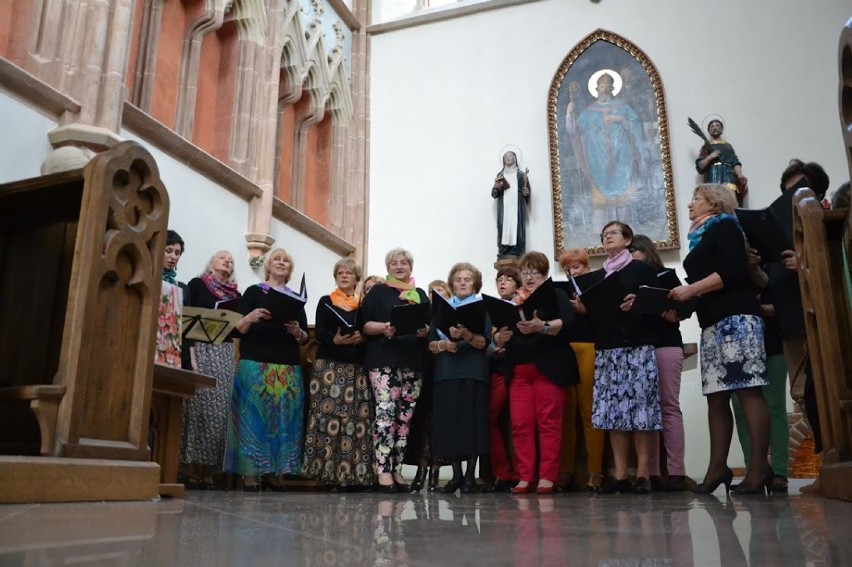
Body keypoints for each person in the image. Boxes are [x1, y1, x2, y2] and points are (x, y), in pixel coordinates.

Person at [669, 184, 771, 495]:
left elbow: (733, 271)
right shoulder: (700, 236)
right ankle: (717, 468)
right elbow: (701, 286)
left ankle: (758, 469)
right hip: (712, 324)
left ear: (713, 202)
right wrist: (676, 306)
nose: (689, 205)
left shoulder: (726, 226)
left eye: (695, 199)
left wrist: (690, 290)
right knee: (716, 398)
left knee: (749, 393)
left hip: (738, 319)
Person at [573, 222, 661, 494]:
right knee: (614, 413)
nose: (607, 236)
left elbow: (660, 304)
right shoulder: (597, 278)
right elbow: (593, 321)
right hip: (608, 349)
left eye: (613, 233)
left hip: (639, 345)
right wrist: (582, 309)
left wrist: (639, 301)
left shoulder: (642, 269)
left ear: (627, 239)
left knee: (642, 412)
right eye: (603, 234)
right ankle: (621, 475)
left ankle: (644, 474)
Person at [493, 251, 579, 494]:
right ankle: (525, 476)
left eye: (535, 272)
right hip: (519, 369)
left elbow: (569, 323)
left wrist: (543, 327)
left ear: (545, 275)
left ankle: (547, 476)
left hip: (549, 368)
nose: (529, 277)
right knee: (520, 424)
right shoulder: (513, 301)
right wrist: (500, 337)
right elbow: (499, 335)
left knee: (549, 424)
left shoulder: (556, 295)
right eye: (525, 272)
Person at [224, 248, 308, 491]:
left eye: (286, 261)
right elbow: (237, 328)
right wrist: (251, 316)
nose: (281, 263)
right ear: (268, 266)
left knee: (283, 421)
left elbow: (304, 338)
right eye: (277, 260)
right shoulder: (253, 292)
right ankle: (250, 473)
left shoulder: (295, 298)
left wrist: (298, 332)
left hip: (288, 365)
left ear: (289, 270)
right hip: (256, 362)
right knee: (254, 420)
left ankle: (273, 472)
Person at [301, 258, 375, 490]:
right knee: (328, 418)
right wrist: (334, 339)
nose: (344, 276)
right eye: (340, 273)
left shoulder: (365, 305)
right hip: (330, 367)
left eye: (349, 273)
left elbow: (370, 332)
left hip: (357, 368)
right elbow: (321, 331)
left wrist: (362, 337)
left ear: (356, 278)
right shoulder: (326, 301)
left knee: (355, 420)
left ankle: (354, 476)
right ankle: (327, 475)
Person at [360, 248, 430, 492]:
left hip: (413, 362)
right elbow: (364, 325)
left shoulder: (419, 294)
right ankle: (382, 470)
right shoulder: (379, 291)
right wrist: (384, 328)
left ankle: (397, 468)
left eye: (403, 263)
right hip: (384, 359)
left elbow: (429, 324)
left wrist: (424, 331)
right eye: (394, 263)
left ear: (411, 267)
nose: (399, 267)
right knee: (386, 414)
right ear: (387, 268)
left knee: (405, 418)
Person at [630, 234, 688, 491]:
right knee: (645, 411)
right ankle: (651, 472)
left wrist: (674, 313)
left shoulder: (664, 276)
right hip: (639, 348)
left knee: (668, 406)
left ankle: (676, 472)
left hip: (665, 344)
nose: (630, 256)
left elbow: (686, 308)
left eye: (634, 251)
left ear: (645, 251)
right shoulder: (627, 281)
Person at [180, 249, 241, 490]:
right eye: (223, 257)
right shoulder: (198, 284)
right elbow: (187, 320)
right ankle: (192, 468)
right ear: (211, 262)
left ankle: (210, 471)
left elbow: (236, 330)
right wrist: (191, 354)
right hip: (202, 351)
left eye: (231, 260)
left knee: (218, 413)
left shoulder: (236, 294)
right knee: (199, 408)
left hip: (224, 352)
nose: (227, 260)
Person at [428, 263, 491, 494]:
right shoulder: (440, 311)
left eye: (467, 279)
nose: (462, 283)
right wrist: (444, 344)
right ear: (452, 284)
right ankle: (455, 476)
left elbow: (484, 342)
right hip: (446, 372)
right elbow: (430, 345)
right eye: (458, 279)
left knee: (471, 424)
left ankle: (469, 478)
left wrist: (466, 335)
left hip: (473, 372)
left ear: (475, 283)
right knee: (449, 424)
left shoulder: (482, 309)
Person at [565, 72, 645, 228]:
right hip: (598, 159)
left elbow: (636, 126)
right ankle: (604, 227)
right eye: (602, 86)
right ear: (597, 89)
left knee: (623, 188)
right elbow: (574, 130)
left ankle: (625, 226)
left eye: (608, 86)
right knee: (601, 192)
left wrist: (621, 120)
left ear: (613, 88)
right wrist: (569, 113)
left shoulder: (622, 107)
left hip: (621, 157)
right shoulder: (589, 112)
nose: (605, 89)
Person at [557, 247, 605, 493]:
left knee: (589, 411)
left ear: (586, 267)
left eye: (576, 267)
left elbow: (606, 321)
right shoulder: (561, 290)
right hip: (566, 350)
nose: (572, 271)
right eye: (568, 268)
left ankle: (595, 471)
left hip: (589, 347)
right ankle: (565, 471)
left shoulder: (597, 284)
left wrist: (585, 309)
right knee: (567, 412)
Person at [404, 279, 452, 492]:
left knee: (441, 423)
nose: (436, 295)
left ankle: (435, 472)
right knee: (422, 423)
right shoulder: (424, 316)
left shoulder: (450, 316)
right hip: (424, 371)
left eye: (441, 291)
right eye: (433, 292)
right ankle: (420, 471)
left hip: (445, 372)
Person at [482, 267, 522, 493]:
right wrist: (495, 344)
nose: (503, 282)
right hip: (497, 371)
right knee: (491, 420)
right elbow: (486, 341)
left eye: (509, 279)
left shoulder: (523, 306)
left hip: (519, 368)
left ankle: (521, 473)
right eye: (499, 279)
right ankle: (503, 473)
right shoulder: (490, 310)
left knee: (518, 423)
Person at [695, 119, 748, 205]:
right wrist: (710, 157)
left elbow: (735, 162)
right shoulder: (706, 146)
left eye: (717, 125)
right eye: (712, 126)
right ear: (709, 130)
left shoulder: (728, 146)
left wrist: (739, 174)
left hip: (728, 175)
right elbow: (700, 166)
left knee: (730, 199)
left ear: (722, 129)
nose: (715, 128)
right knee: (714, 201)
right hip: (713, 176)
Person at [156, 230, 187, 370]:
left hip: (170, 344)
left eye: (177, 253)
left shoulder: (177, 286)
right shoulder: (150, 277)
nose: (173, 257)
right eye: (168, 251)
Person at [491, 151, 530, 259]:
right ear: (503, 160)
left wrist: (526, 193)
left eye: (511, 156)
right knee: (503, 225)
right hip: (504, 206)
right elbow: (494, 194)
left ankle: (516, 250)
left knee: (516, 226)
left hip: (516, 205)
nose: (509, 158)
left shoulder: (521, 175)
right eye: (506, 157)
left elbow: (526, 191)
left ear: (515, 159)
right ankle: (504, 250)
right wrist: (496, 188)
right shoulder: (500, 175)